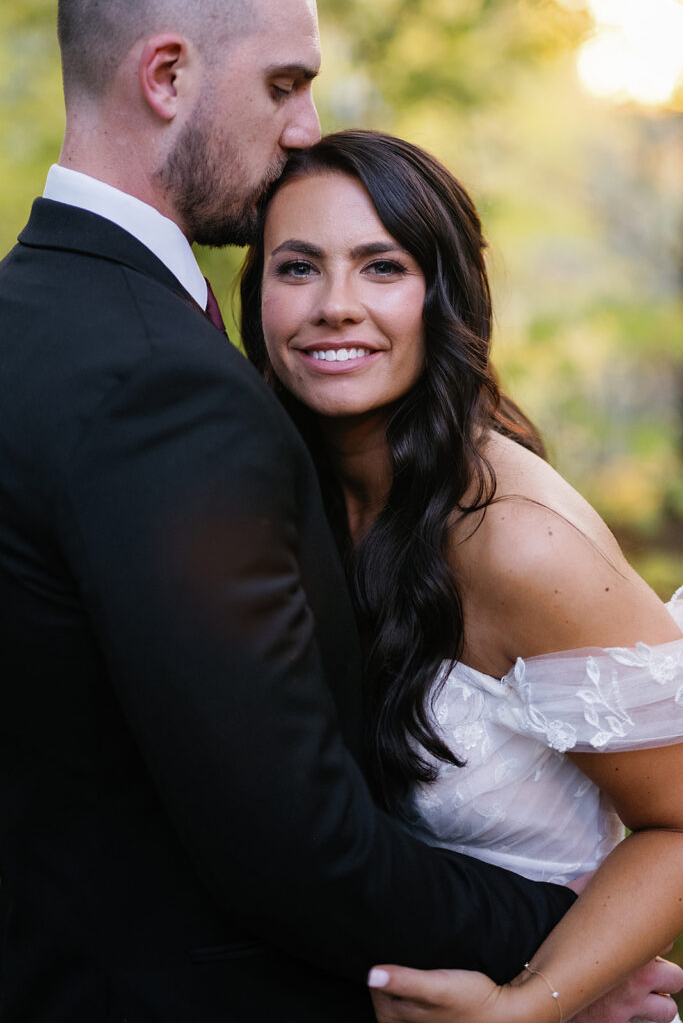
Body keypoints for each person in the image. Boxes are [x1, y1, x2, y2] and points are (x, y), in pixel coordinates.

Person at [2, 1, 624, 1021]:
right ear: (165, 78)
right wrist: (561, 957)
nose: (303, 124)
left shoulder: (26, 323)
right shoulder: (168, 382)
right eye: (284, 84)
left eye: (383, 265)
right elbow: (292, 844)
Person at [239, 129, 683, 1023]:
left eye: (380, 267)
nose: (334, 305)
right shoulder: (283, 494)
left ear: (445, 296)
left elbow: (678, 827)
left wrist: (529, 1006)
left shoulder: (513, 544)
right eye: (297, 269)